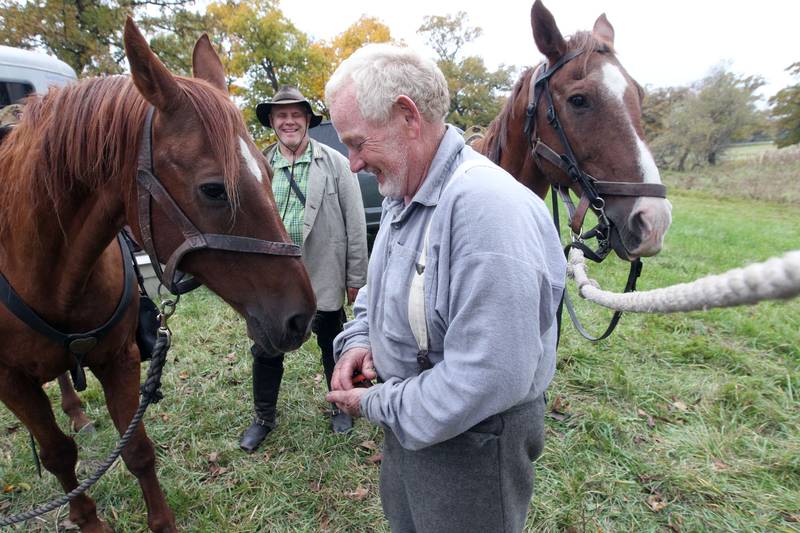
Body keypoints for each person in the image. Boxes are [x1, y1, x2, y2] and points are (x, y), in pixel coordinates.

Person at [324, 44, 567, 532]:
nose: (351, 163)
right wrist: (359, 340)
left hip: (473, 444)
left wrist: (373, 403)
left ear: (406, 116)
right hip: (414, 424)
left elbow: (486, 377)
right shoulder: (404, 193)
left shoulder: (487, 210)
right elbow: (379, 286)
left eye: (357, 142)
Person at [239, 86, 368, 452]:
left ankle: (340, 404)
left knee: (333, 344)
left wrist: (356, 280)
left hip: (323, 275)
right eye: (281, 115)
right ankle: (263, 417)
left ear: (307, 120)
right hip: (274, 283)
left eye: (296, 114)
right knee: (265, 349)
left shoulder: (336, 163)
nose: (289, 121)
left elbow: (356, 225)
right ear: (273, 122)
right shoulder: (257, 165)